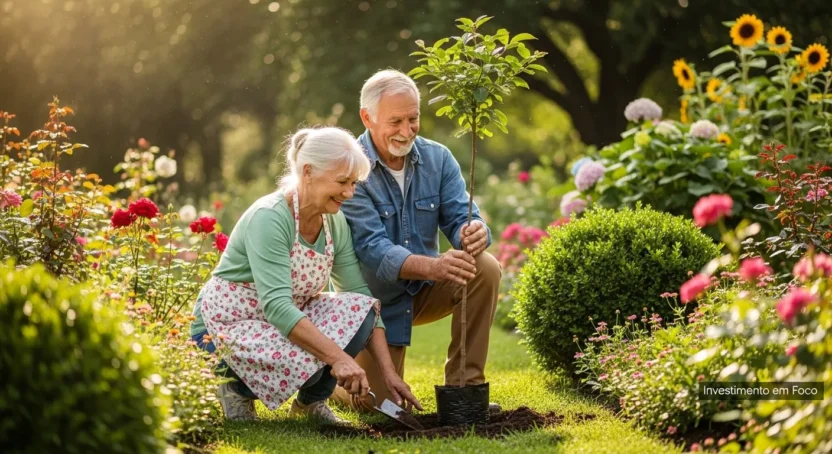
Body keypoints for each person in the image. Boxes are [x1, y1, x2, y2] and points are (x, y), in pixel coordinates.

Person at [189, 126, 421, 423]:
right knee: (314, 353)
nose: (349, 193)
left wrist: (388, 373)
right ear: (308, 172)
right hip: (224, 327)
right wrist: (338, 358)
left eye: (354, 184)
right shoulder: (270, 217)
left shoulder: (333, 221)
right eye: (342, 182)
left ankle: (310, 404)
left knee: (361, 310)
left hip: (275, 325)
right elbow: (278, 307)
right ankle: (234, 388)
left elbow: (360, 296)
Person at [332, 69, 502, 412]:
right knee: (380, 407)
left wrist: (474, 229)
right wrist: (435, 266)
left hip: (426, 288)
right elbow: (372, 249)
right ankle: (331, 388)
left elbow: (460, 214)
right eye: (395, 121)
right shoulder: (351, 170)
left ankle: (464, 390)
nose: (406, 130)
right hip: (375, 304)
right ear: (367, 117)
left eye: (413, 118)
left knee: (484, 267)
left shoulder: (438, 159)